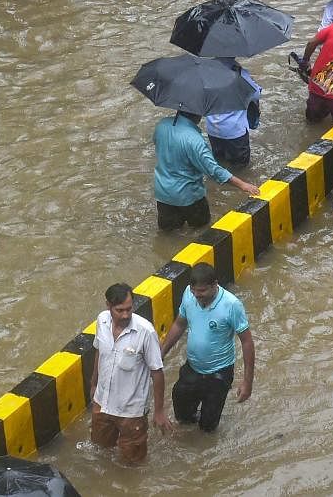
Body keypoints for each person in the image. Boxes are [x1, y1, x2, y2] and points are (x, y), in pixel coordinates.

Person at [159, 263, 254, 433]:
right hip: (192, 368)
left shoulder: (231, 305)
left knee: (208, 428)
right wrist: (162, 351)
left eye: (202, 291)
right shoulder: (189, 295)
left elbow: (246, 342)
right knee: (182, 415)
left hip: (219, 373)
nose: (197, 295)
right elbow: (180, 324)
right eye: (194, 291)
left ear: (214, 285)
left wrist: (248, 382)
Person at [89, 282, 172, 464]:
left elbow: (157, 372)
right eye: (120, 310)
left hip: (131, 411)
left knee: (133, 462)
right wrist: (94, 384)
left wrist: (159, 411)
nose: (125, 314)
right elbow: (99, 353)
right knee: (100, 451)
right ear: (108, 306)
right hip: (102, 402)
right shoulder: (101, 321)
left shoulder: (146, 331)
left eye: (129, 309)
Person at [152, 111, 260, 231]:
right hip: (189, 196)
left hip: (163, 193)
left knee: (168, 234)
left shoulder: (161, 125)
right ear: (198, 115)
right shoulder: (194, 139)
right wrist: (243, 185)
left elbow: (157, 145)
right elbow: (213, 170)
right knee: (202, 231)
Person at [204, 59, 260, 168]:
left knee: (219, 165)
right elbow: (254, 94)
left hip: (212, 129)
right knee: (241, 168)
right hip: (234, 131)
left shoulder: (207, 71)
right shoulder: (239, 72)